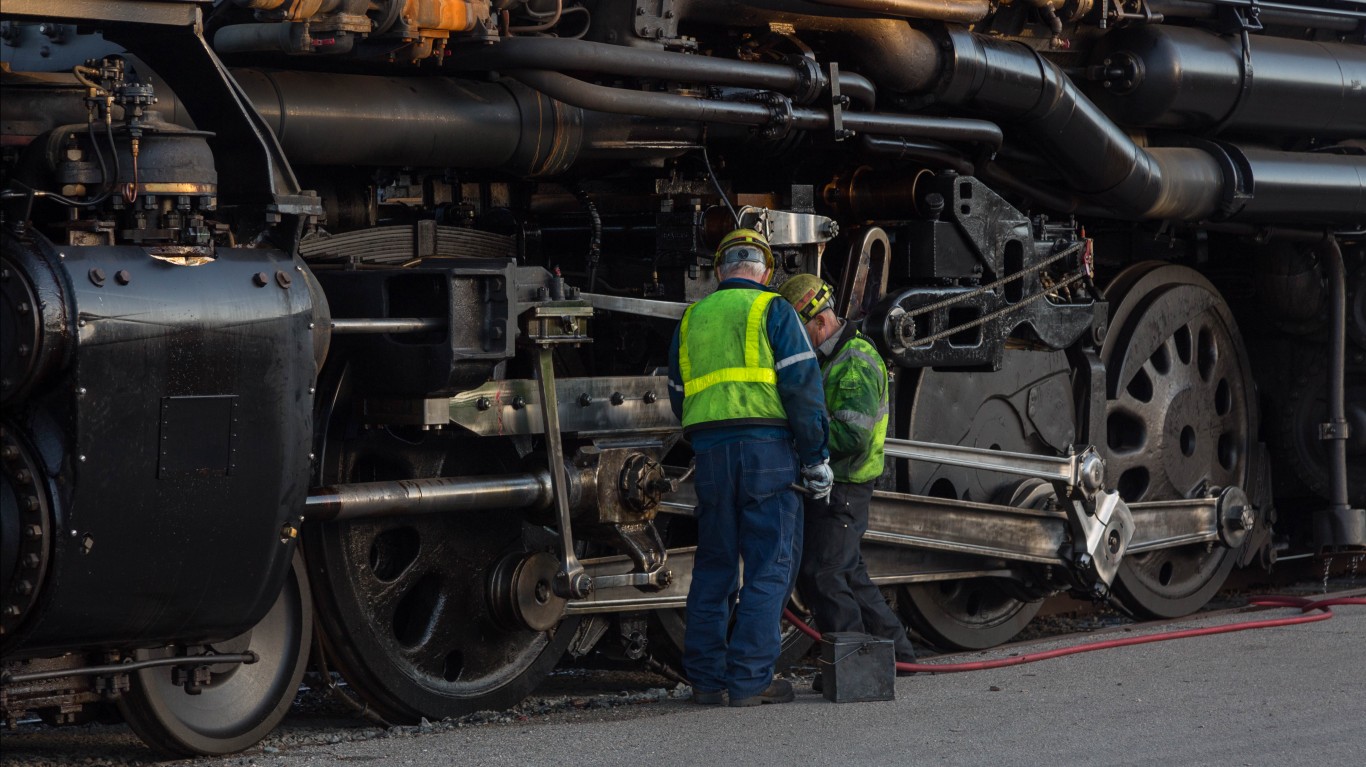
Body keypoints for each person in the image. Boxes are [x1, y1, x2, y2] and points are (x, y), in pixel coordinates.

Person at [667, 229, 833, 708]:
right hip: (767, 451)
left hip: (712, 456)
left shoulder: (692, 318)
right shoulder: (772, 310)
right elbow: (802, 389)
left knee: (715, 566)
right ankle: (749, 680)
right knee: (769, 564)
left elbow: (679, 394)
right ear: (765, 272)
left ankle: (705, 680)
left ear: (719, 270)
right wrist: (817, 457)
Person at [777, 274, 918, 682]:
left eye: (798, 331)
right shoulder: (833, 357)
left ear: (819, 322)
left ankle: (851, 667)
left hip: (845, 487)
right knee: (849, 574)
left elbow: (853, 435)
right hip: (838, 486)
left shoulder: (853, 362)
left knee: (825, 574)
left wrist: (799, 437)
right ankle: (901, 657)